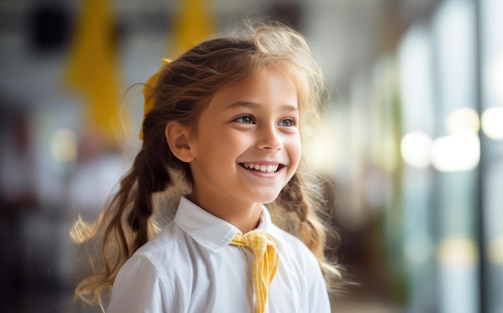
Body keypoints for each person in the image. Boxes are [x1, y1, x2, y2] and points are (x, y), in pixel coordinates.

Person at [70, 23, 341, 312]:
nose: (272, 141)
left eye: (286, 122)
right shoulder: (158, 271)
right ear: (183, 141)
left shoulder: (300, 262)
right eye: (246, 119)